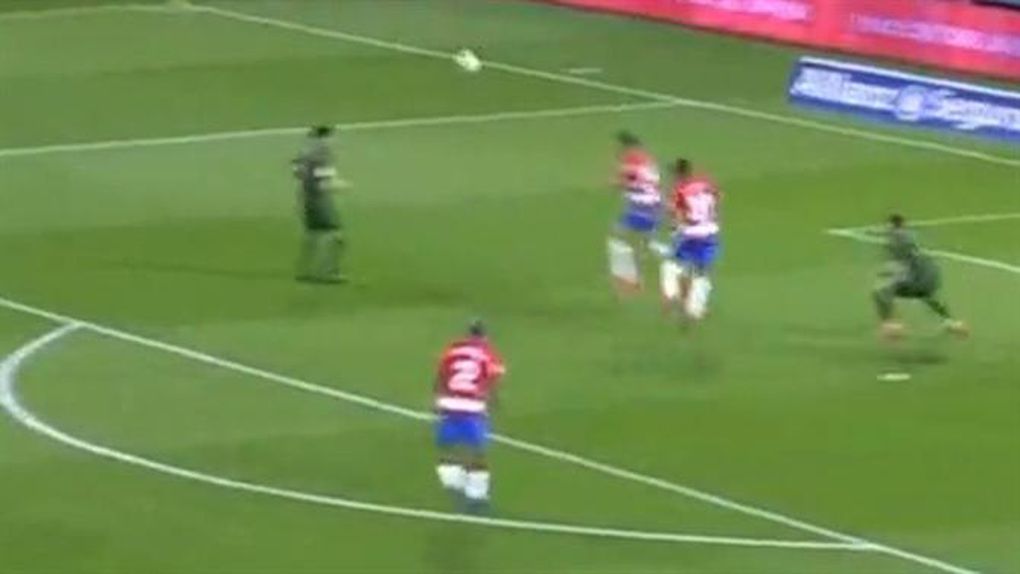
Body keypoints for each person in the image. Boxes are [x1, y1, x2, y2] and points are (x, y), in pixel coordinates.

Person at [433, 319, 506, 510]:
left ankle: (453, 484)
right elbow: (492, 380)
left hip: (449, 402)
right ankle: (476, 495)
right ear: (484, 336)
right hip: (473, 405)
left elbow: (440, 375)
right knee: (477, 451)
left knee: (449, 447)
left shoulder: (452, 350)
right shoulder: (487, 353)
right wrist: (494, 402)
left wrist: (438, 398)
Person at [873, 214, 968, 339]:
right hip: (929, 278)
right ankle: (951, 322)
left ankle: (891, 325)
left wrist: (891, 276)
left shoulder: (897, 240)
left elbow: (899, 266)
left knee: (881, 290)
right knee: (927, 296)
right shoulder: (909, 237)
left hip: (915, 277)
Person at [660, 158, 721, 320]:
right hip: (710, 233)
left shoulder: (679, 190)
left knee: (676, 266)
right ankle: (697, 306)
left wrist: (674, 227)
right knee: (701, 271)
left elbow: (676, 215)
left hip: (691, 234)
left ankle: (683, 303)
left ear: (678, 174)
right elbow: (716, 203)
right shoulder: (706, 185)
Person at [291, 125, 348, 283]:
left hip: (306, 198)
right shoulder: (323, 157)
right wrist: (342, 186)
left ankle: (304, 270)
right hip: (320, 200)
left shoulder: (304, 155)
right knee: (336, 237)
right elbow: (324, 183)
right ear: (324, 139)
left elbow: (297, 172)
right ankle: (329, 272)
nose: (333, 141)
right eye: (331, 138)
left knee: (313, 235)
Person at [607, 131, 662, 293]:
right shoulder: (647, 160)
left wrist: (614, 183)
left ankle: (632, 278)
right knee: (641, 242)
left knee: (618, 236)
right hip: (654, 204)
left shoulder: (631, 160)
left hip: (640, 206)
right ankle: (638, 276)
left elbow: (626, 181)